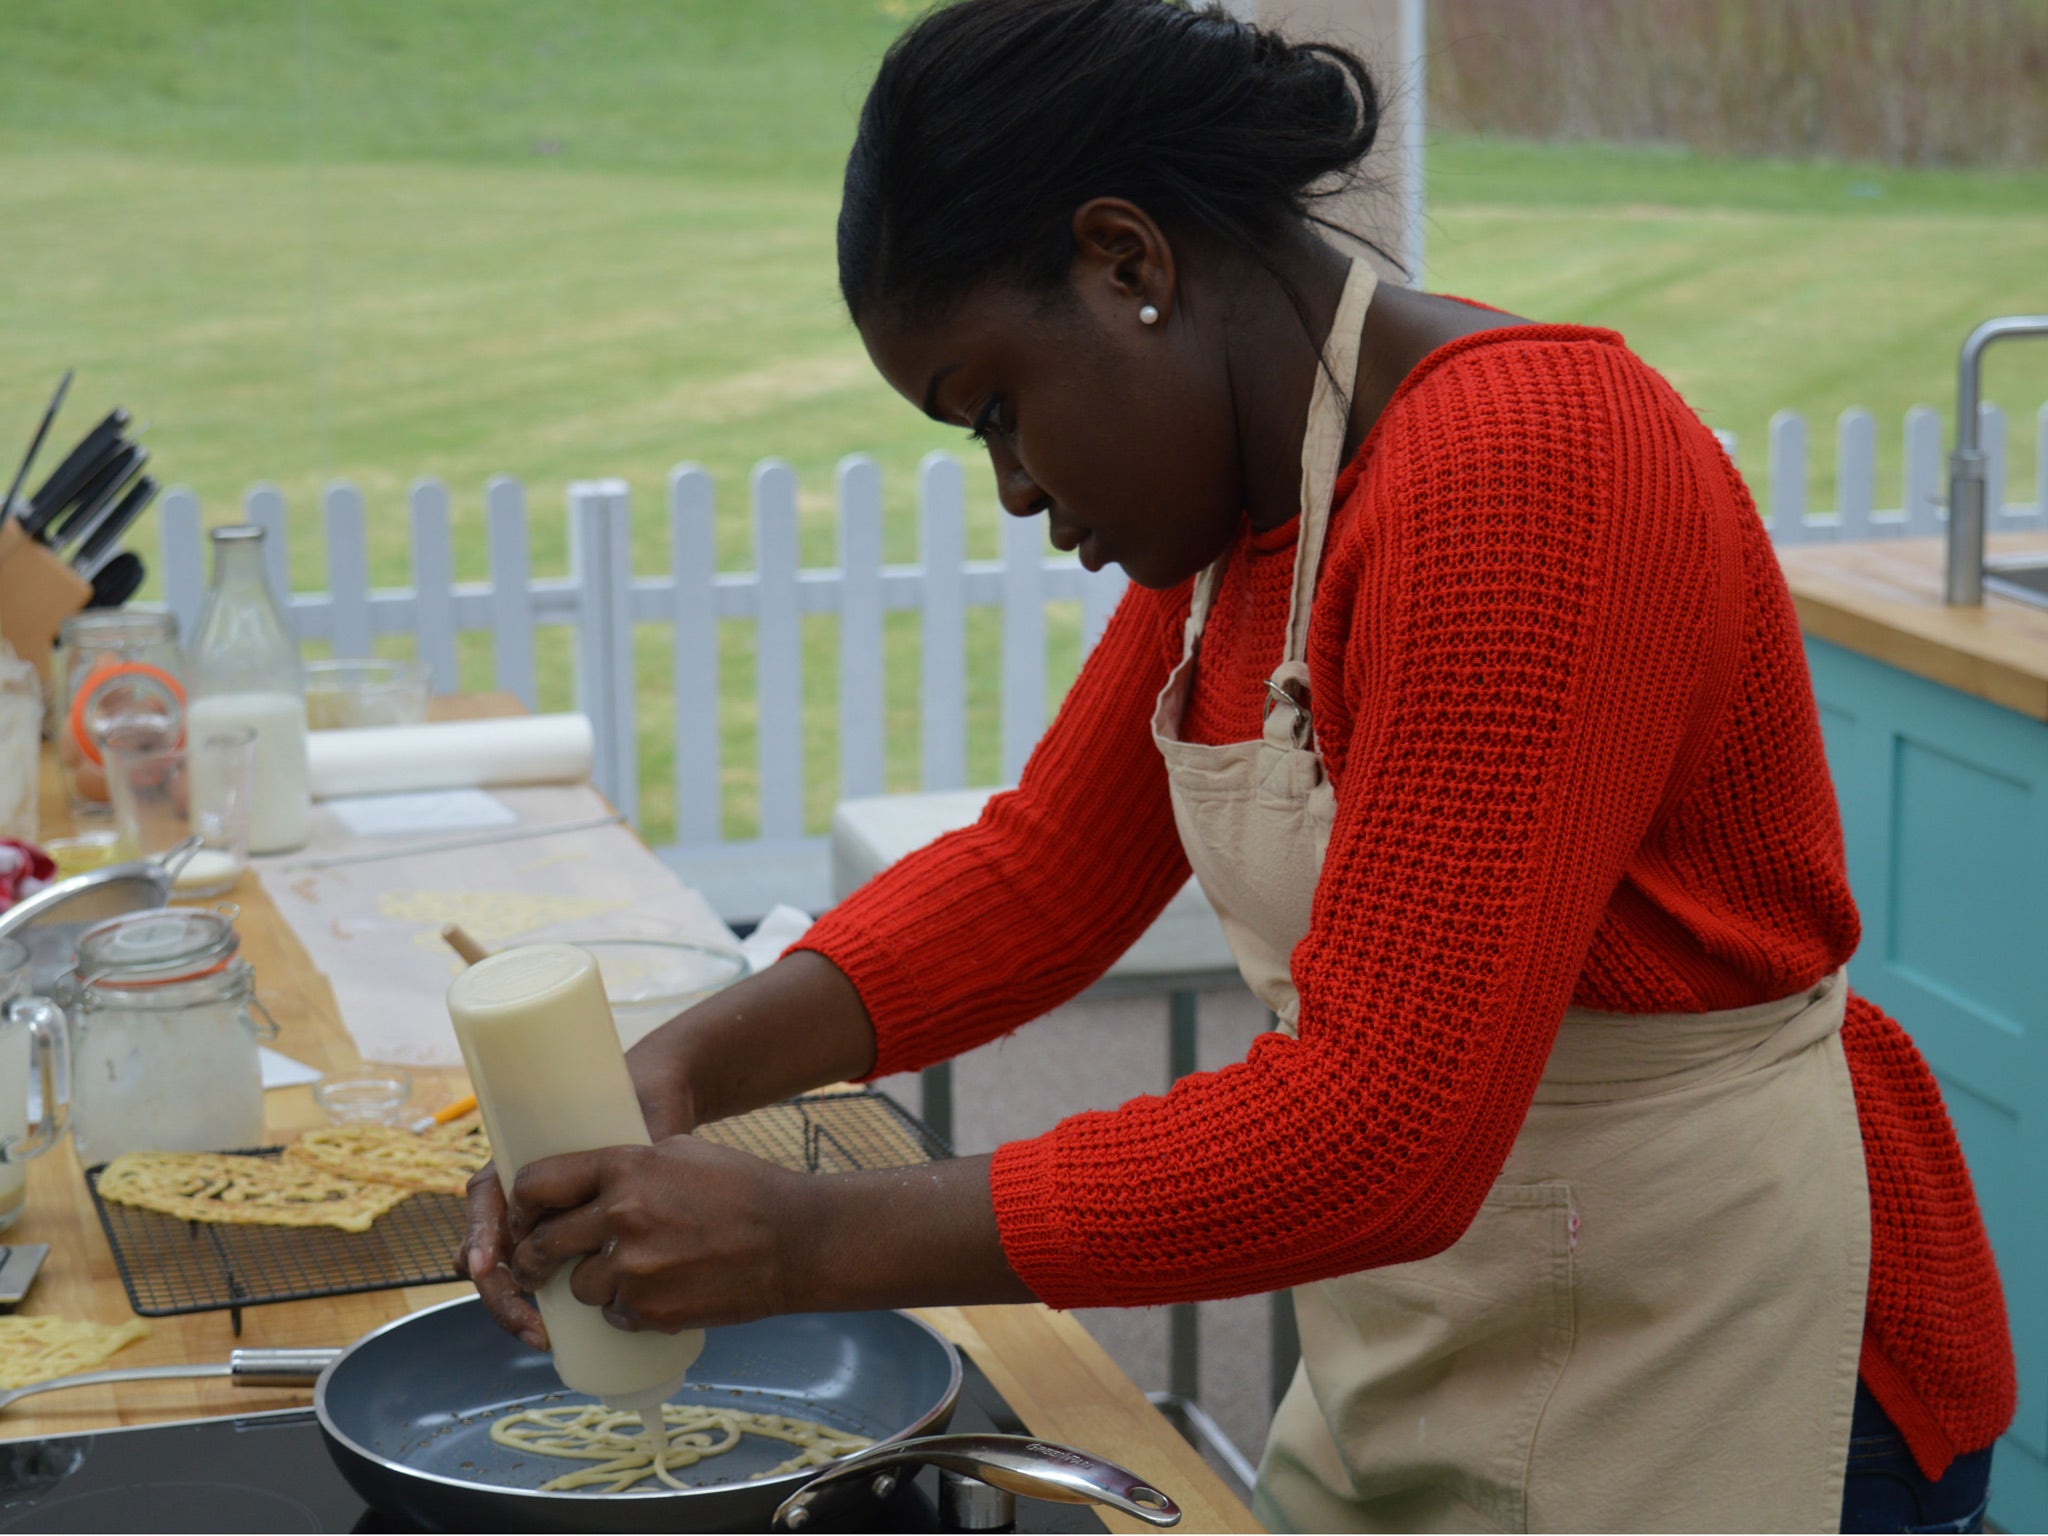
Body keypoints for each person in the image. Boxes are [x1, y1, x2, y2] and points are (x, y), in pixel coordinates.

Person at [460, 1, 2015, 1528]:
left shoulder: (1528, 468)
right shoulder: (1252, 521)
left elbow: (1378, 1133)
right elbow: (1041, 879)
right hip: (1455, 1320)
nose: (1012, 488)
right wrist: (686, 1066)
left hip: (1725, 1349)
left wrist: (804, 1245)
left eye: (999, 407)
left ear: (1127, 260)